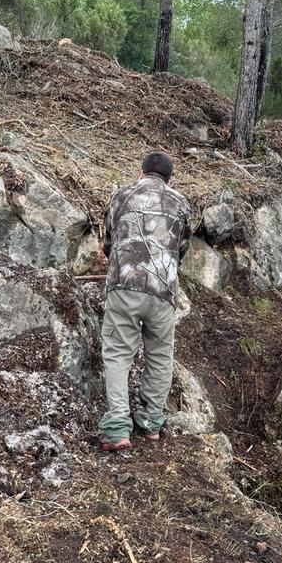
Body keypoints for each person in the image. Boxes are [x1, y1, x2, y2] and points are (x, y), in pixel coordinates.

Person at [99, 151, 191, 452]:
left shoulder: (121, 196)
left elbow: (108, 241)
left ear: (141, 172)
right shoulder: (180, 203)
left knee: (117, 354)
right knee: (160, 356)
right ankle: (151, 423)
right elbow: (182, 248)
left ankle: (116, 428)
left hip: (124, 284)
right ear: (169, 178)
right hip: (163, 290)